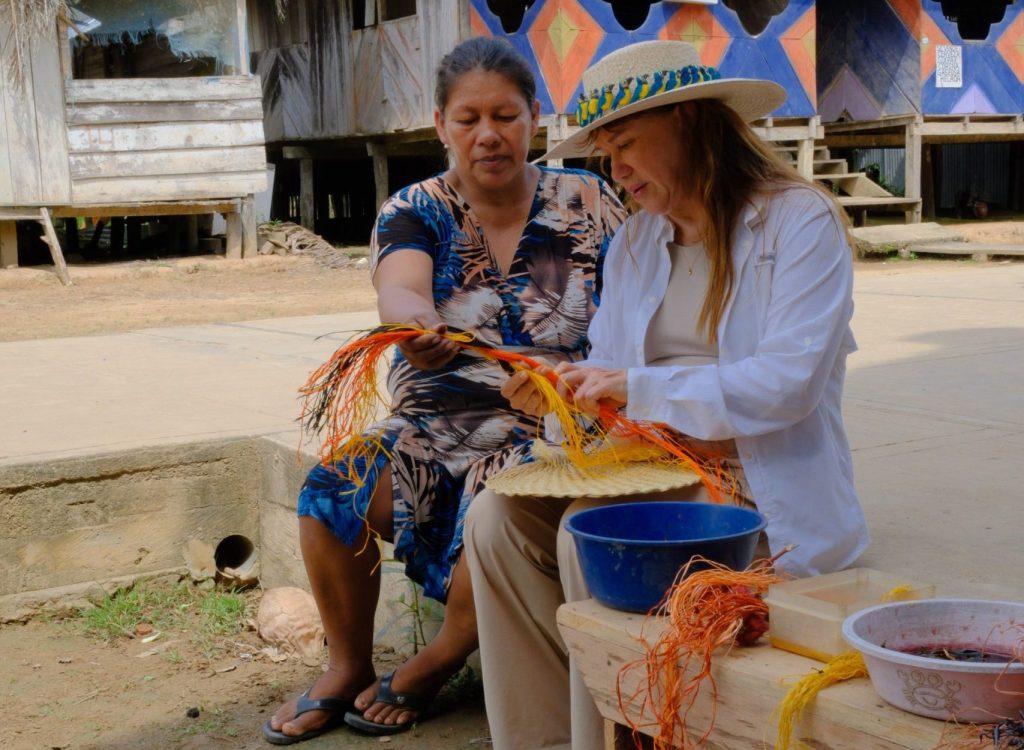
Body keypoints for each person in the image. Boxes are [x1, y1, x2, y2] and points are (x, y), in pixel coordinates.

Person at [463, 40, 870, 750]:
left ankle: (616, 738)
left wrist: (632, 386)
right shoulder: (640, 243)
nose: (615, 169)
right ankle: (543, 737)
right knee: (493, 521)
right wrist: (566, 397)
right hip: (650, 466)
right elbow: (613, 373)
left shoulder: (799, 222)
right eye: (605, 152)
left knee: (584, 533)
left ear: (687, 121)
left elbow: (787, 385)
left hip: (754, 486)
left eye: (625, 143)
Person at [263, 36, 625, 744]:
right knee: (332, 488)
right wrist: (414, 324)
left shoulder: (588, 201)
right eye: (468, 119)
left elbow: (642, 308)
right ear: (441, 125)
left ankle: (436, 660)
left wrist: (590, 384)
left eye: (506, 116)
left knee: (500, 500)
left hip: (552, 426)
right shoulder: (416, 208)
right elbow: (399, 284)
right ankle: (347, 664)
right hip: (434, 421)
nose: (488, 135)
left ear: (534, 120)